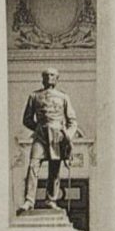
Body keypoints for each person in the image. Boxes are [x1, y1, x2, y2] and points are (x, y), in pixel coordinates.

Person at [20, 67, 77, 211]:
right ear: (42, 78)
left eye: (52, 75)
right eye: (46, 75)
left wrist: (67, 135)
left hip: (57, 136)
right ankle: (29, 200)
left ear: (57, 79)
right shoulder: (34, 96)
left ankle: (51, 199)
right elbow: (27, 119)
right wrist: (39, 128)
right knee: (33, 165)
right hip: (40, 135)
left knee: (54, 168)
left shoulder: (63, 97)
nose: (49, 77)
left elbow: (72, 121)